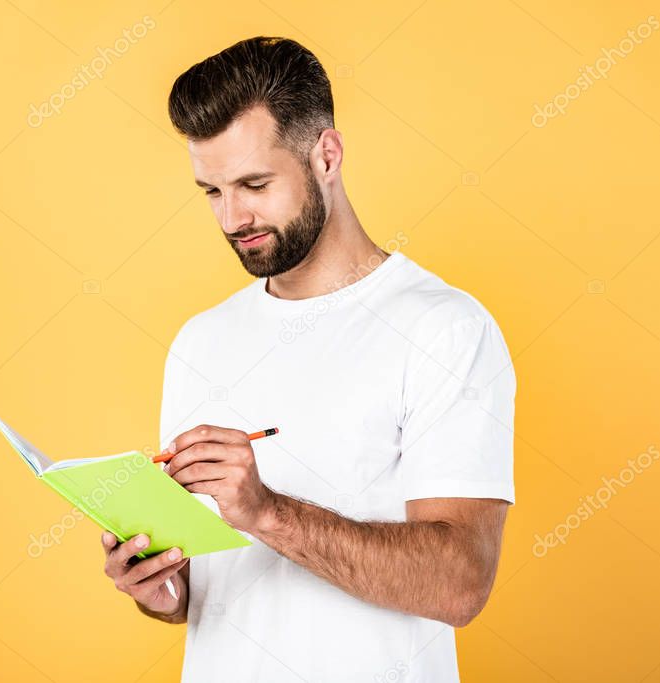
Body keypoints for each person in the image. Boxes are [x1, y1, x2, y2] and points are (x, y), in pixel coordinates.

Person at [102, 35, 516, 682]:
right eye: (210, 191)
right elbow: (206, 587)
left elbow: (459, 582)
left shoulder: (443, 329)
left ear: (326, 154)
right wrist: (161, 587)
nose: (232, 217)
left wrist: (264, 510)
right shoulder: (199, 343)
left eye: (254, 183)